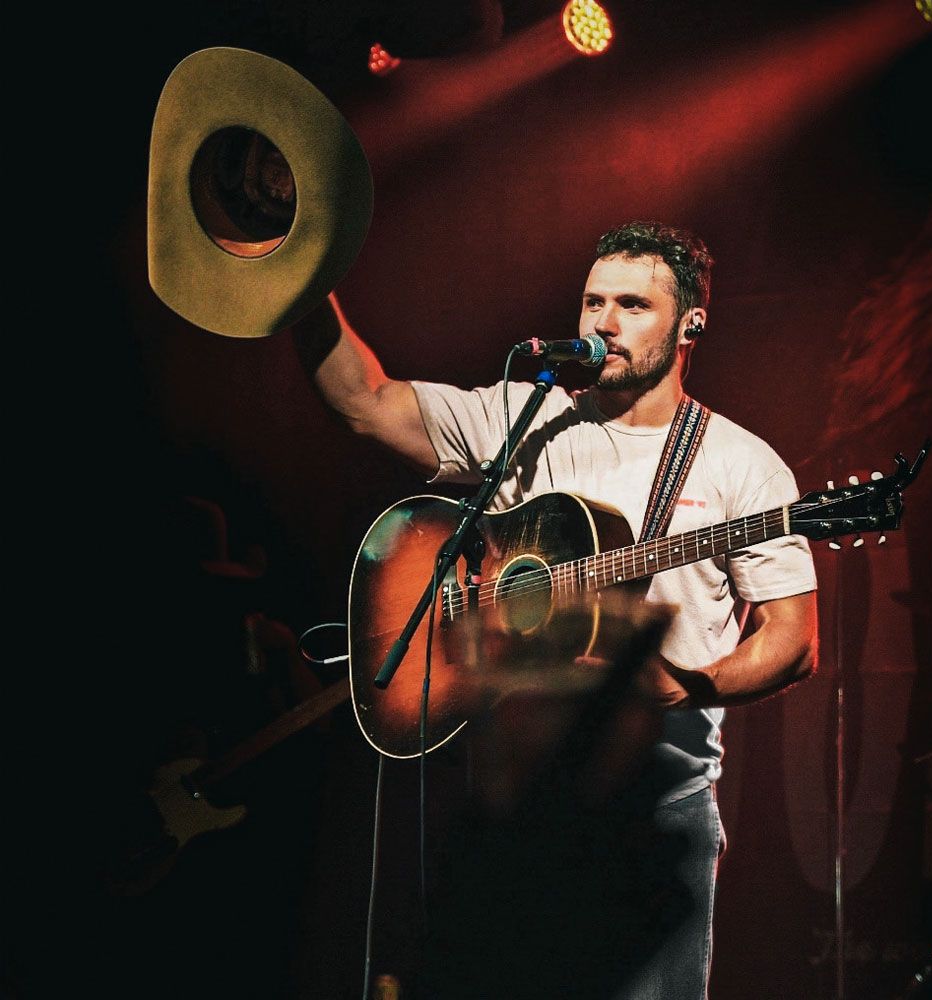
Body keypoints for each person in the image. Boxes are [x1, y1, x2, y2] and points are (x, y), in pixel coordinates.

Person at [292, 220, 819, 999]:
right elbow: (363, 403)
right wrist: (298, 276)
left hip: (654, 810)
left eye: (633, 305)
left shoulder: (741, 464)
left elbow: (793, 641)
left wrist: (682, 685)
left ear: (690, 324)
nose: (603, 323)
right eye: (592, 301)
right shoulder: (527, 420)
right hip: (511, 809)